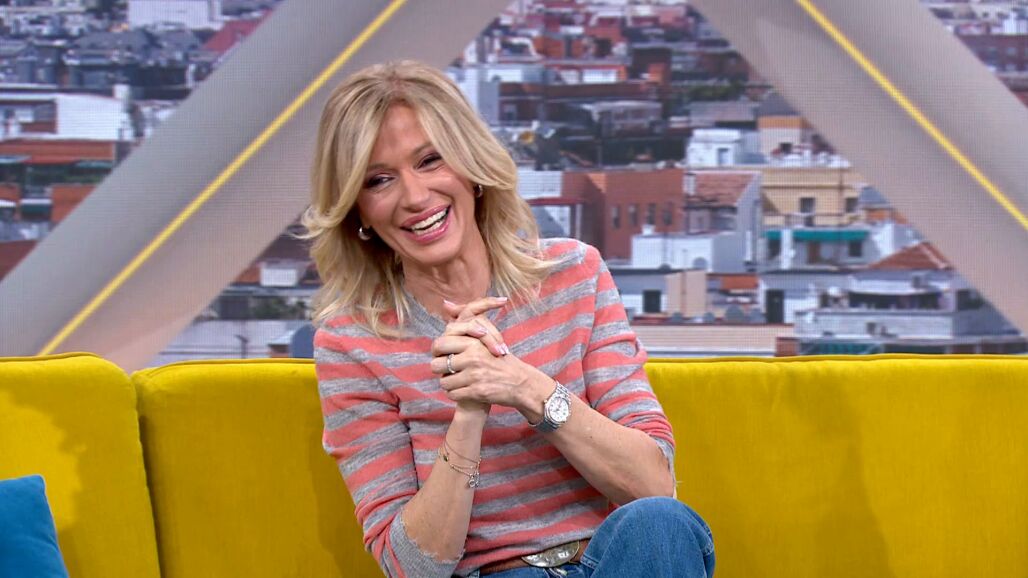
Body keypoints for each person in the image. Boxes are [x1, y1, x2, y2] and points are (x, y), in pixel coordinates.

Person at [303, 60, 714, 578]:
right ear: (358, 211)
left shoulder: (575, 274)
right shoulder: (352, 344)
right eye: (379, 180)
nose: (415, 197)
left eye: (430, 160)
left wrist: (524, 387)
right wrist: (469, 411)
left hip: (619, 563)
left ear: (471, 168)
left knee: (660, 525)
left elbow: (655, 485)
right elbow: (412, 568)